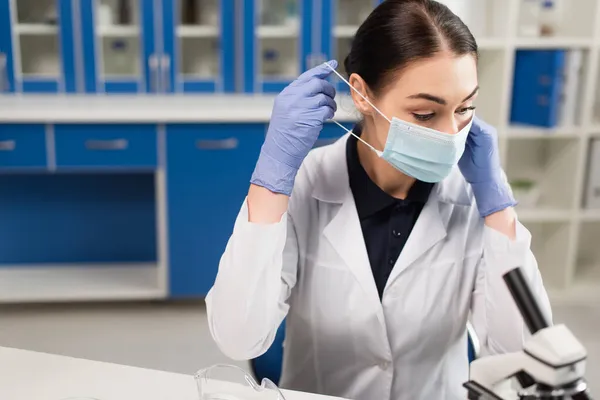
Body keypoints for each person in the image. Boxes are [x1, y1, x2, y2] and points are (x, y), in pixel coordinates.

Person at [206, 0, 552, 399]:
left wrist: (500, 213)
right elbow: (238, 337)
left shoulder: (474, 199)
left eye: (465, 108)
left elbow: (525, 354)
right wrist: (268, 186)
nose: (450, 133)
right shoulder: (306, 185)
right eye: (425, 114)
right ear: (362, 94)